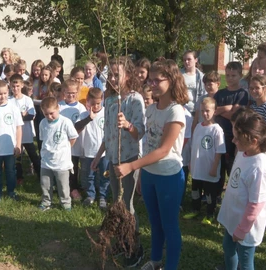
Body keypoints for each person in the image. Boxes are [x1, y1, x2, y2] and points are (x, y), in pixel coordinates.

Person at [114, 59, 188, 269]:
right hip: (149, 175)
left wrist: (132, 166)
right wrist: (128, 126)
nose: (152, 84)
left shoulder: (176, 111)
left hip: (168, 177)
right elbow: (145, 139)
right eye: (151, 80)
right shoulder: (152, 109)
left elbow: (163, 150)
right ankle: (155, 261)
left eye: (158, 80)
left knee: (169, 225)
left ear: (172, 81)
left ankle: (170, 266)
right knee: (155, 224)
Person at [92, 57, 145, 268]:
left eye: (117, 74)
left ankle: (135, 247)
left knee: (128, 205)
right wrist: (98, 156)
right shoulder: (110, 99)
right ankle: (124, 242)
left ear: (128, 76)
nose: (113, 78)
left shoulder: (135, 99)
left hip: (128, 160)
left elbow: (139, 132)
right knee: (118, 202)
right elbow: (107, 134)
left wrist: (128, 125)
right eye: (110, 75)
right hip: (112, 159)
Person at [217, 109, 266, 270]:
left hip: (246, 228)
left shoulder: (259, 167)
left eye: (237, 138)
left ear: (254, 140)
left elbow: (256, 203)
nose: (233, 141)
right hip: (233, 218)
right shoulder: (243, 152)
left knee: (245, 262)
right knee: (228, 247)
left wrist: (242, 229)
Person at [183, 97, 226, 224]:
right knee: (195, 190)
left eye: (207, 111)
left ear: (215, 111)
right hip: (197, 167)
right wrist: (191, 161)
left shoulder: (217, 129)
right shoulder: (197, 127)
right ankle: (195, 209)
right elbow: (194, 146)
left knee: (209, 193)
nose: (204, 114)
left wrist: (214, 167)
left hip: (209, 168)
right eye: (202, 111)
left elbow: (219, 151)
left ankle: (210, 213)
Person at [214, 61, 248, 198]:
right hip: (218, 136)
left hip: (232, 137)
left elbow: (236, 115)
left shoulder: (242, 94)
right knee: (218, 167)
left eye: (233, 75)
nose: (229, 78)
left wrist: (221, 110)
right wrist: (228, 108)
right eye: (227, 75)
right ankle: (215, 196)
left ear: (240, 75)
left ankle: (234, 196)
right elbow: (213, 111)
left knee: (232, 168)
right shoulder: (219, 93)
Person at [38, 96, 78, 211]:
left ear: (58, 108)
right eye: (46, 114)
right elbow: (43, 139)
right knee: (45, 184)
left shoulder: (65, 122)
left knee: (63, 185)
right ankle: (46, 202)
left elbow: (73, 137)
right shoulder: (42, 123)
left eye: (52, 113)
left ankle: (65, 203)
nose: (49, 117)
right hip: (46, 160)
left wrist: (65, 148)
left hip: (61, 161)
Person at [75, 87, 109, 209]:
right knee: (89, 176)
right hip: (88, 152)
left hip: (104, 152)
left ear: (102, 101)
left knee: (105, 175)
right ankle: (90, 195)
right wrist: (89, 118)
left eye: (98, 104)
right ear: (88, 101)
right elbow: (76, 127)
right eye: (93, 104)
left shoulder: (106, 113)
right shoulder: (84, 114)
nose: (95, 106)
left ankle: (103, 197)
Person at [59, 79, 87, 200]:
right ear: (64, 92)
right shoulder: (59, 106)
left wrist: (73, 135)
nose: (71, 95)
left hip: (77, 141)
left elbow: (83, 124)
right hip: (63, 142)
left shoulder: (81, 107)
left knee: (76, 165)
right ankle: (71, 188)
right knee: (68, 165)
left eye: (73, 93)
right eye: (68, 92)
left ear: (77, 92)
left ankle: (78, 185)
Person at [9, 74, 40, 182]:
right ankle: (19, 177)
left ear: (22, 85)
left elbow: (31, 116)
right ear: (10, 86)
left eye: (17, 86)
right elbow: (9, 118)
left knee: (33, 156)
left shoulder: (27, 100)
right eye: (13, 86)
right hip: (14, 134)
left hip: (26, 133)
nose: (15, 88)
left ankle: (41, 176)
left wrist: (18, 116)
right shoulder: (9, 101)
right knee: (17, 157)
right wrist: (22, 114)